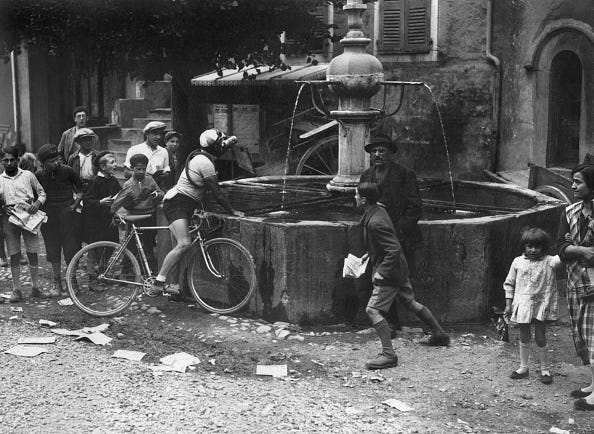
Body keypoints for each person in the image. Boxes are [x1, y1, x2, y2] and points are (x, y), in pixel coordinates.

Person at [355, 182, 449, 370]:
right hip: (398, 268)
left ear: (364, 200)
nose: (355, 198)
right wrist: (370, 253)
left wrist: (381, 273)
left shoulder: (375, 221)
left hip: (389, 271)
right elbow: (388, 242)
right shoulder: (378, 210)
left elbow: (393, 249)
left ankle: (389, 355)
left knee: (372, 311)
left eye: (356, 195)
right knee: (410, 302)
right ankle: (439, 334)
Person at [148, 128, 244, 296]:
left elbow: (224, 145)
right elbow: (218, 193)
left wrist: (230, 142)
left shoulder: (202, 155)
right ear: (213, 148)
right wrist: (233, 211)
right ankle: (158, 282)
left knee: (178, 248)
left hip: (184, 204)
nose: (223, 148)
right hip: (176, 202)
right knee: (184, 243)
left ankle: (174, 287)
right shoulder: (204, 162)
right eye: (220, 145)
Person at [358, 134, 422, 334]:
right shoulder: (366, 176)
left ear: (390, 154)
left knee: (394, 281)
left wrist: (400, 229)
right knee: (382, 280)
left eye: (382, 151)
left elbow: (415, 206)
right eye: (374, 151)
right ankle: (388, 324)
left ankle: (393, 324)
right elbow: (363, 206)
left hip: (401, 236)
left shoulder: (404, 175)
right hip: (377, 238)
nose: (377, 155)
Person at [557, 163, 594, 411]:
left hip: (593, 283)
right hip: (575, 280)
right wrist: (581, 250)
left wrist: (574, 250)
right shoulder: (570, 212)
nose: (572, 186)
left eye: (578, 182)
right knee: (583, 332)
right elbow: (560, 248)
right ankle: (593, 383)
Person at [504, 227, 561, 384]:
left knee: (540, 336)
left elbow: (564, 255)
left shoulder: (550, 261)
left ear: (544, 247)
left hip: (541, 304)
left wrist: (570, 240)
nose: (533, 250)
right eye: (530, 246)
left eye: (537, 247)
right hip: (523, 304)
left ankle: (545, 368)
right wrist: (508, 304)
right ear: (524, 246)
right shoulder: (518, 262)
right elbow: (509, 283)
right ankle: (523, 367)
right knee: (524, 335)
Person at [0, 146, 49, 302]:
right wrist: (2, 207)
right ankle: (16, 290)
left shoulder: (28, 175)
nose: (9, 163)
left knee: (32, 251)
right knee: (14, 253)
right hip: (9, 220)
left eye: (12, 160)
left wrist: (37, 204)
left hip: (29, 217)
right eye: (5, 160)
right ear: (1, 162)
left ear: (18, 160)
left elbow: (42, 193)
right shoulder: (0, 179)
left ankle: (35, 287)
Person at [35, 144, 84, 296]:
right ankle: (57, 283)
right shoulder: (38, 175)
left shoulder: (68, 170)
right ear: (43, 163)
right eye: (51, 161)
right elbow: (35, 195)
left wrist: (74, 205)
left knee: (71, 248)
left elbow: (81, 189)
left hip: (67, 214)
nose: (56, 163)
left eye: (57, 159)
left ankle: (72, 282)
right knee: (52, 248)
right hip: (48, 215)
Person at [111, 153, 163, 272]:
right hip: (134, 216)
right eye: (138, 169)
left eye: (143, 169)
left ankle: (147, 270)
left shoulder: (150, 179)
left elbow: (160, 192)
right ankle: (127, 270)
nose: (141, 172)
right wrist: (136, 199)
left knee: (149, 243)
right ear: (132, 168)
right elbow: (125, 204)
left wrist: (157, 195)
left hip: (150, 215)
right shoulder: (128, 184)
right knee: (131, 244)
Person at [82, 151, 121, 244]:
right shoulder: (95, 182)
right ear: (103, 167)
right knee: (97, 247)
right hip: (97, 222)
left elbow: (120, 194)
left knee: (110, 247)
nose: (115, 164)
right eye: (112, 162)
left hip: (110, 221)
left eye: (115, 162)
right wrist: (100, 202)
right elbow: (86, 201)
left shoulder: (113, 180)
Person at [124, 121, 170, 190]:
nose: (158, 137)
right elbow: (126, 173)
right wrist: (143, 175)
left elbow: (166, 169)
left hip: (156, 188)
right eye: (155, 134)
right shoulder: (134, 149)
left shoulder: (163, 151)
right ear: (147, 134)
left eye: (160, 134)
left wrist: (164, 174)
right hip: (138, 187)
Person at [67, 128, 98, 192]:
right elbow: (69, 176)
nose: (88, 142)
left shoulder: (97, 156)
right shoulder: (73, 158)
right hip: (79, 187)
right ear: (78, 141)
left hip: (95, 187)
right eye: (85, 140)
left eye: (90, 139)